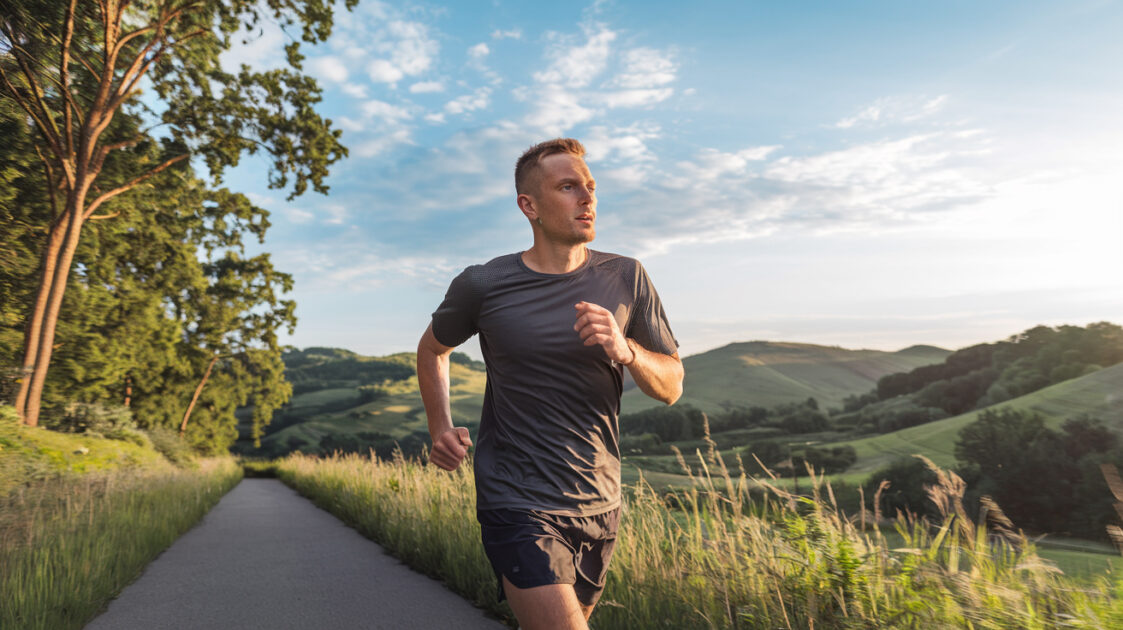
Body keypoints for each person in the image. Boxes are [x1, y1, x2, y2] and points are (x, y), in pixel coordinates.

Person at [416, 138, 683, 630]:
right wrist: (441, 428)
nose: (587, 197)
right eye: (568, 187)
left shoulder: (627, 276)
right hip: (516, 499)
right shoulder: (484, 284)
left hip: (601, 501)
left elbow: (671, 385)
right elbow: (433, 349)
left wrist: (627, 351)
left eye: (591, 186)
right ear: (529, 205)